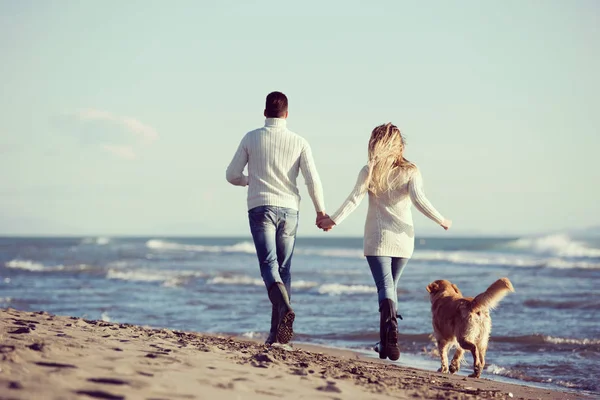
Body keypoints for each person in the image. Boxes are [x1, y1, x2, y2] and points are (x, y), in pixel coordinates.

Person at [317, 123, 451, 361]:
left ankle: (390, 337)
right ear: (398, 145)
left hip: (378, 240)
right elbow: (420, 200)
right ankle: (386, 343)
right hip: (404, 241)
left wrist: (332, 221)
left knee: (385, 288)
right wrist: (441, 219)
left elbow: (354, 199)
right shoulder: (411, 170)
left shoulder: (370, 170)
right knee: (390, 288)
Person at [226, 91, 328, 345]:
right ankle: (277, 336)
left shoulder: (251, 138)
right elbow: (312, 180)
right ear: (286, 114)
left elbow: (231, 175)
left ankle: (281, 316)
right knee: (284, 270)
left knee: (269, 266)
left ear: (264, 113)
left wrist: (250, 180)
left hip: (261, 207)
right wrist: (320, 211)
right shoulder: (300, 142)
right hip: (290, 210)